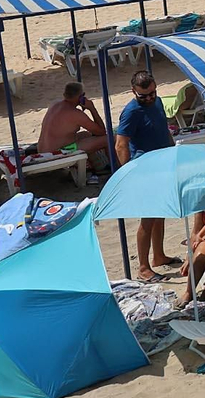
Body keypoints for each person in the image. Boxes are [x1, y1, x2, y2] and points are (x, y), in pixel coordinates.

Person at [115, 70, 177, 282]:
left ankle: (158, 255)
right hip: (143, 169)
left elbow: (163, 129)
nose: (149, 98)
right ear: (134, 92)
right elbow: (120, 144)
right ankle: (143, 267)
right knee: (148, 218)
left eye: (152, 93)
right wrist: (128, 173)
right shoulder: (132, 112)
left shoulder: (157, 102)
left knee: (160, 212)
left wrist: (172, 150)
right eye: (144, 96)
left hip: (163, 163)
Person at [36, 81, 110, 175]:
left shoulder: (54, 104)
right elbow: (102, 132)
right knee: (107, 139)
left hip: (42, 150)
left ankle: (94, 167)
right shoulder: (75, 114)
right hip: (57, 153)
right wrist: (92, 109)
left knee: (85, 135)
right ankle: (113, 167)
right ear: (81, 97)